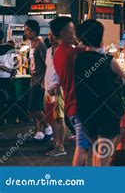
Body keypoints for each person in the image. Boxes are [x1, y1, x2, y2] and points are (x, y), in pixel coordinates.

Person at [74, 19, 125, 167]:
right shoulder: (108, 61)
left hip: (86, 113)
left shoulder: (77, 59)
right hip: (107, 114)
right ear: (100, 37)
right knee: (103, 158)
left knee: (97, 153)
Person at [50, 16, 87, 166]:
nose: (75, 33)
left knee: (86, 147)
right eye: (72, 29)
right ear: (64, 33)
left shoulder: (58, 52)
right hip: (80, 105)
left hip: (72, 105)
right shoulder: (72, 52)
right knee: (84, 148)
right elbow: (96, 51)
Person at [24, 20, 52, 141]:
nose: (26, 32)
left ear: (34, 31)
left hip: (39, 80)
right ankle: (39, 131)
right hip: (33, 79)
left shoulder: (40, 44)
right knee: (37, 107)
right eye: (25, 30)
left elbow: (47, 62)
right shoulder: (30, 44)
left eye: (28, 30)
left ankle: (47, 126)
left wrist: (43, 80)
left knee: (32, 108)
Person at [44, 30, 66, 157]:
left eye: (52, 34)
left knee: (59, 118)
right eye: (49, 35)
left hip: (58, 89)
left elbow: (66, 71)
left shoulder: (63, 51)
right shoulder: (48, 51)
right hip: (48, 88)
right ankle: (56, 143)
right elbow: (49, 69)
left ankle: (60, 146)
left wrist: (58, 85)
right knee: (51, 118)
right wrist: (44, 83)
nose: (50, 37)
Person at [0, 30, 19, 125]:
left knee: (2, 99)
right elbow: (16, 62)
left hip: (1, 77)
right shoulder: (11, 48)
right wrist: (13, 73)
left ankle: (2, 119)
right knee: (12, 98)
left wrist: (9, 71)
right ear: (3, 37)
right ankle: (13, 118)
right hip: (10, 78)